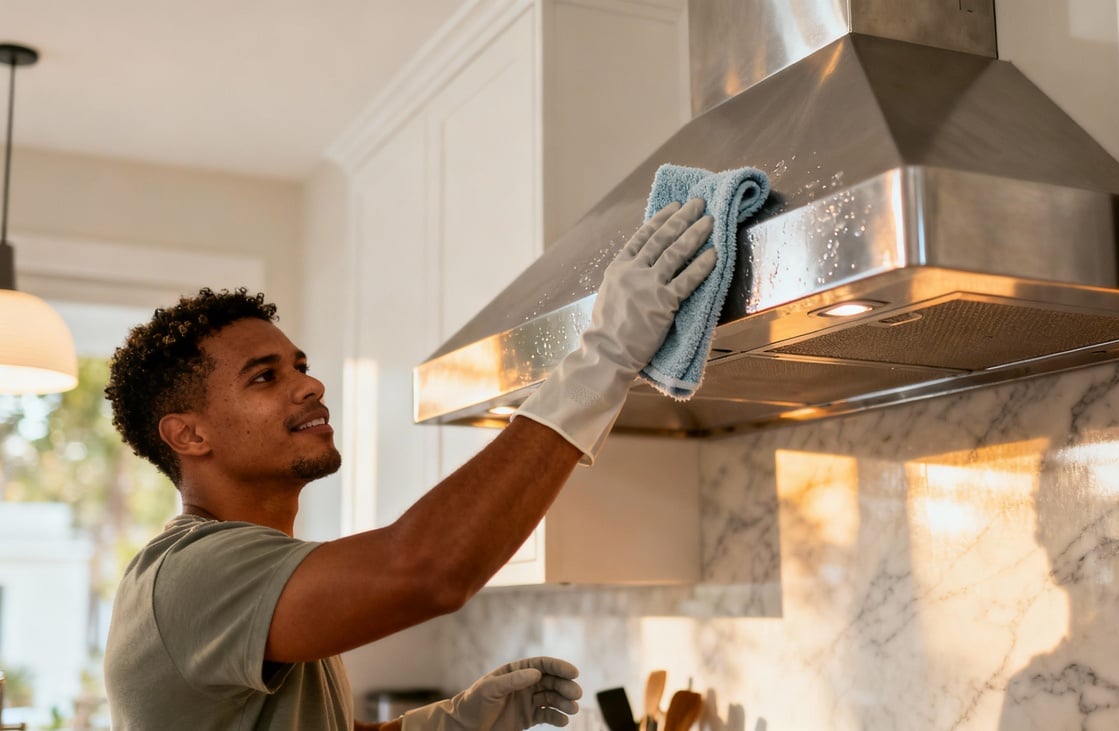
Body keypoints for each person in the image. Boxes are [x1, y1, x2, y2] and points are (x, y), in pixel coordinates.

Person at [101, 198, 716, 730]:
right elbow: (427, 569)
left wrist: (452, 725)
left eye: (299, 364)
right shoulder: (197, 573)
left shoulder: (248, 571)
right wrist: (604, 355)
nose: (310, 385)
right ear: (189, 434)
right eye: (265, 376)